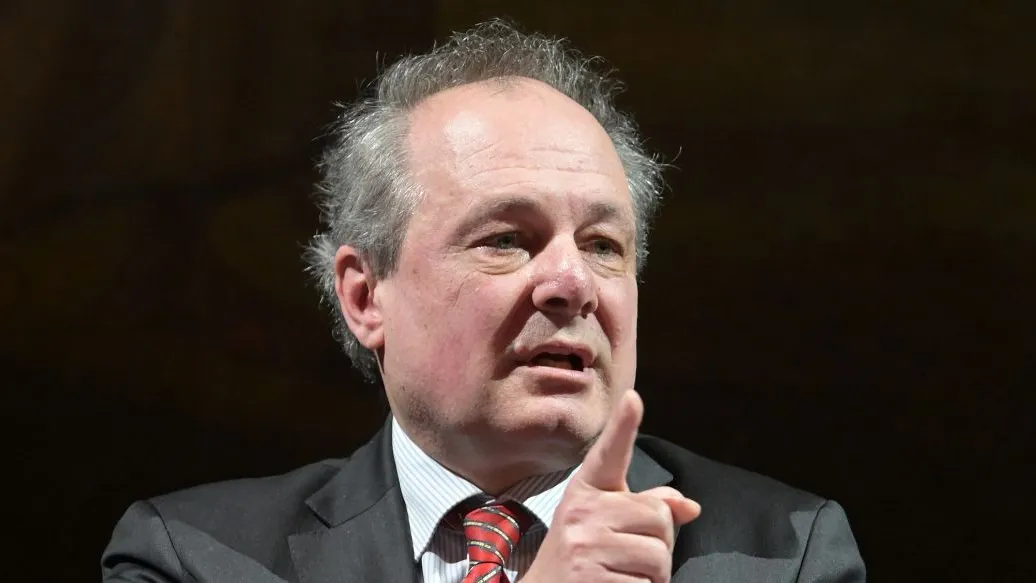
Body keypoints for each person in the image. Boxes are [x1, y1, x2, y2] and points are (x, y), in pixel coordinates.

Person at [102, 19, 865, 583]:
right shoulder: (193, 556)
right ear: (366, 297)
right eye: (506, 238)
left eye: (603, 244)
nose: (571, 282)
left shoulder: (786, 554)